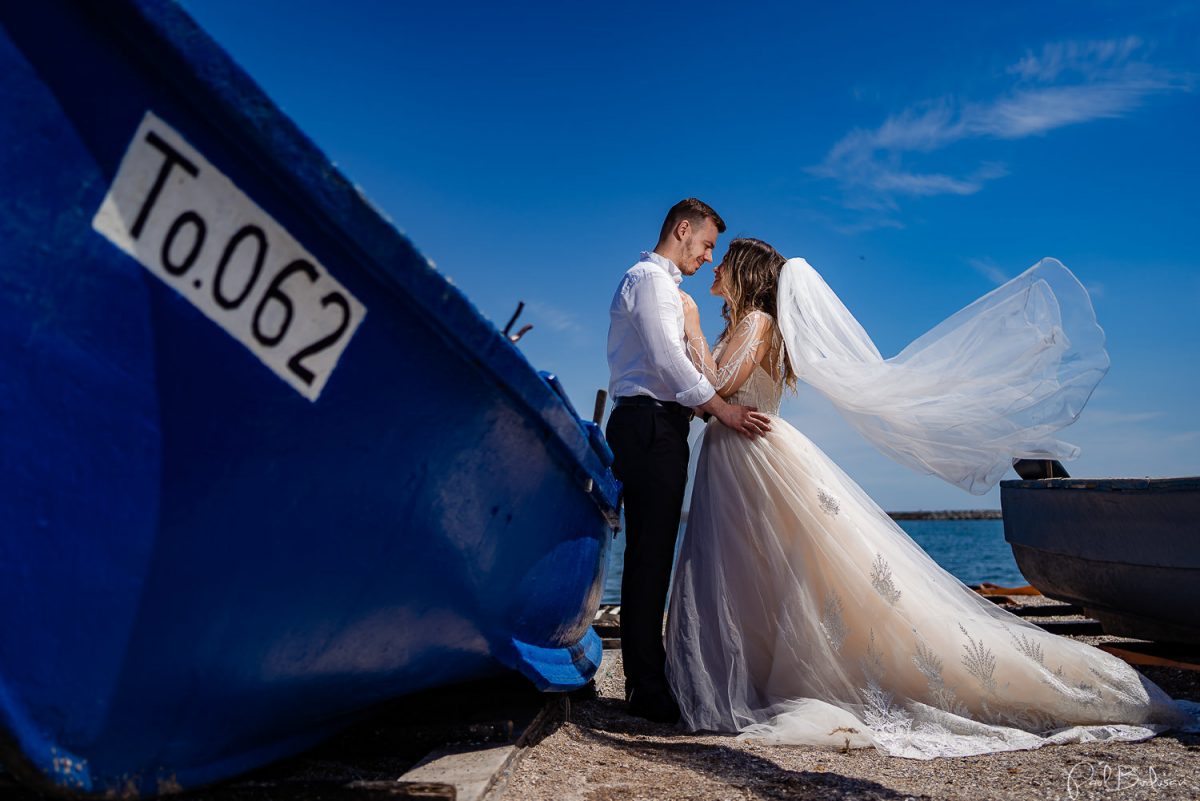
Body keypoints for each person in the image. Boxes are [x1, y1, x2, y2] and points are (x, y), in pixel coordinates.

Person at [665, 238, 1191, 757]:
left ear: (746, 273)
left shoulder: (756, 323)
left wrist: (688, 325)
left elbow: (718, 386)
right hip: (741, 452)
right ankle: (748, 670)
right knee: (761, 569)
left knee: (775, 567)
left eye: (722, 260)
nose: (711, 267)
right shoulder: (749, 325)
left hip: (752, 452)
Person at [605, 200, 772, 723]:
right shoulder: (651, 282)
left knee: (653, 552)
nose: (707, 258)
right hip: (648, 423)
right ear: (683, 230)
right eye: (705, 245)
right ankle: (645, 687)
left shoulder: (665, 289)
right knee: (650, 554)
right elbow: (667, 359)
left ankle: (651, 677)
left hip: (660, 424)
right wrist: (720, 408)